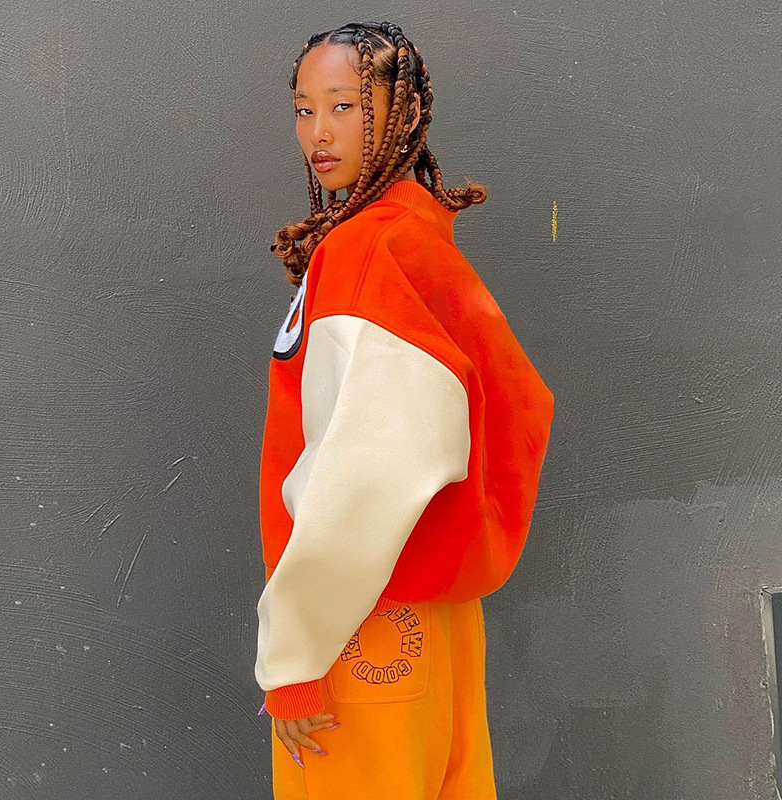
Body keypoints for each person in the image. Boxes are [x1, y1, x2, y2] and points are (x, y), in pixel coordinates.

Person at [254, 20, 554, 800]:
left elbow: (365, 470)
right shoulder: (416, 238)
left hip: (366, 623)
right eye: (303, 109)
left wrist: (296, 654)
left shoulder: (363, 252)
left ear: (402, 112)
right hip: (441, 621)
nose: (319, 133)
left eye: (345, 105)